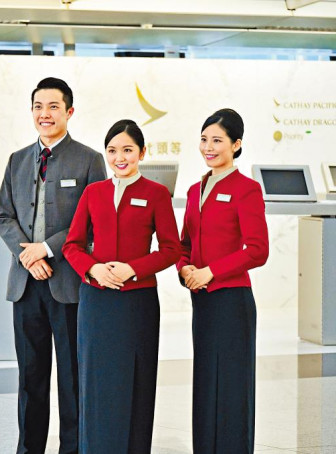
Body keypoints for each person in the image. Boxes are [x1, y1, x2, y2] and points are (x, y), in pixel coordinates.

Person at [0, 77, 106, 454]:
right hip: (25, 285)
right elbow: (3, 216)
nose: (45, 114)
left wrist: (45, 249)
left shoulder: (89, 159)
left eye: (53, 106)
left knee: (73, 379)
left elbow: (92, 223)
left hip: (69, 286)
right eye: (38, 107)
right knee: (31, 378)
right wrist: (27, 255)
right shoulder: (17, 160)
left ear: (69, 112)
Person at [62, 119, 181, 453]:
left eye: (127, 150)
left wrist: (133, 269)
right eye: (112, 151)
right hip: (96, 302)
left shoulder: (156, 194)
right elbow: (72, 245)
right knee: (96, 385)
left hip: (137, 304)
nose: (119, 157)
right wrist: (94, 270)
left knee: (136, 384)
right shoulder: (93, 192)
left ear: (142, 152)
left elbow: (172, 249)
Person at [177, 108, 269, 453]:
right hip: (201, 299)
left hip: (232, 299)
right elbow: (184, 244)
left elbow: (258, 250)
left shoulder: (247, 189)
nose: (208, 147)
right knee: (205, 382)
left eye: (217, 140)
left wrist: (210, 272)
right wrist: (184, 268)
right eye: (204, 140)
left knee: (232, 387)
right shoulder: (193, 189)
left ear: (236, 144)